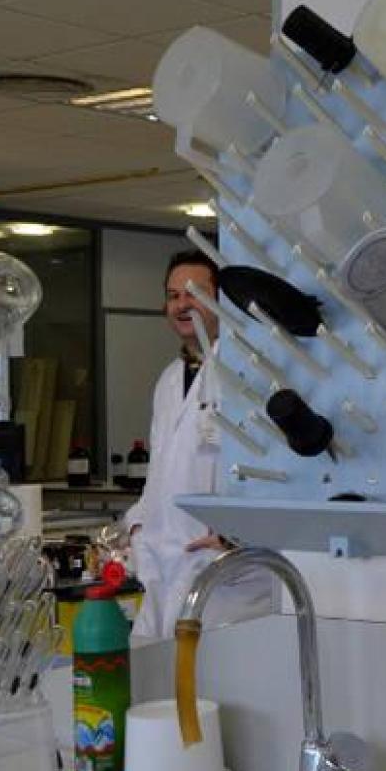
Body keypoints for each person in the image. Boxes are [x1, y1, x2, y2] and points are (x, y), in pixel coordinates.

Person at [123, 250, 272, 640]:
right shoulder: (170, 379)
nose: (182, 304)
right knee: (158, 687)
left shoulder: (249, 371)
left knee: (217, 688)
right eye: (174, 296)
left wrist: (237, 534)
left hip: (224, 570)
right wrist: (139, 524)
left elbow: (278, 468)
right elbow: (162, 470)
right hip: (163, 566)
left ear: (220, 299)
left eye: (194, 293)